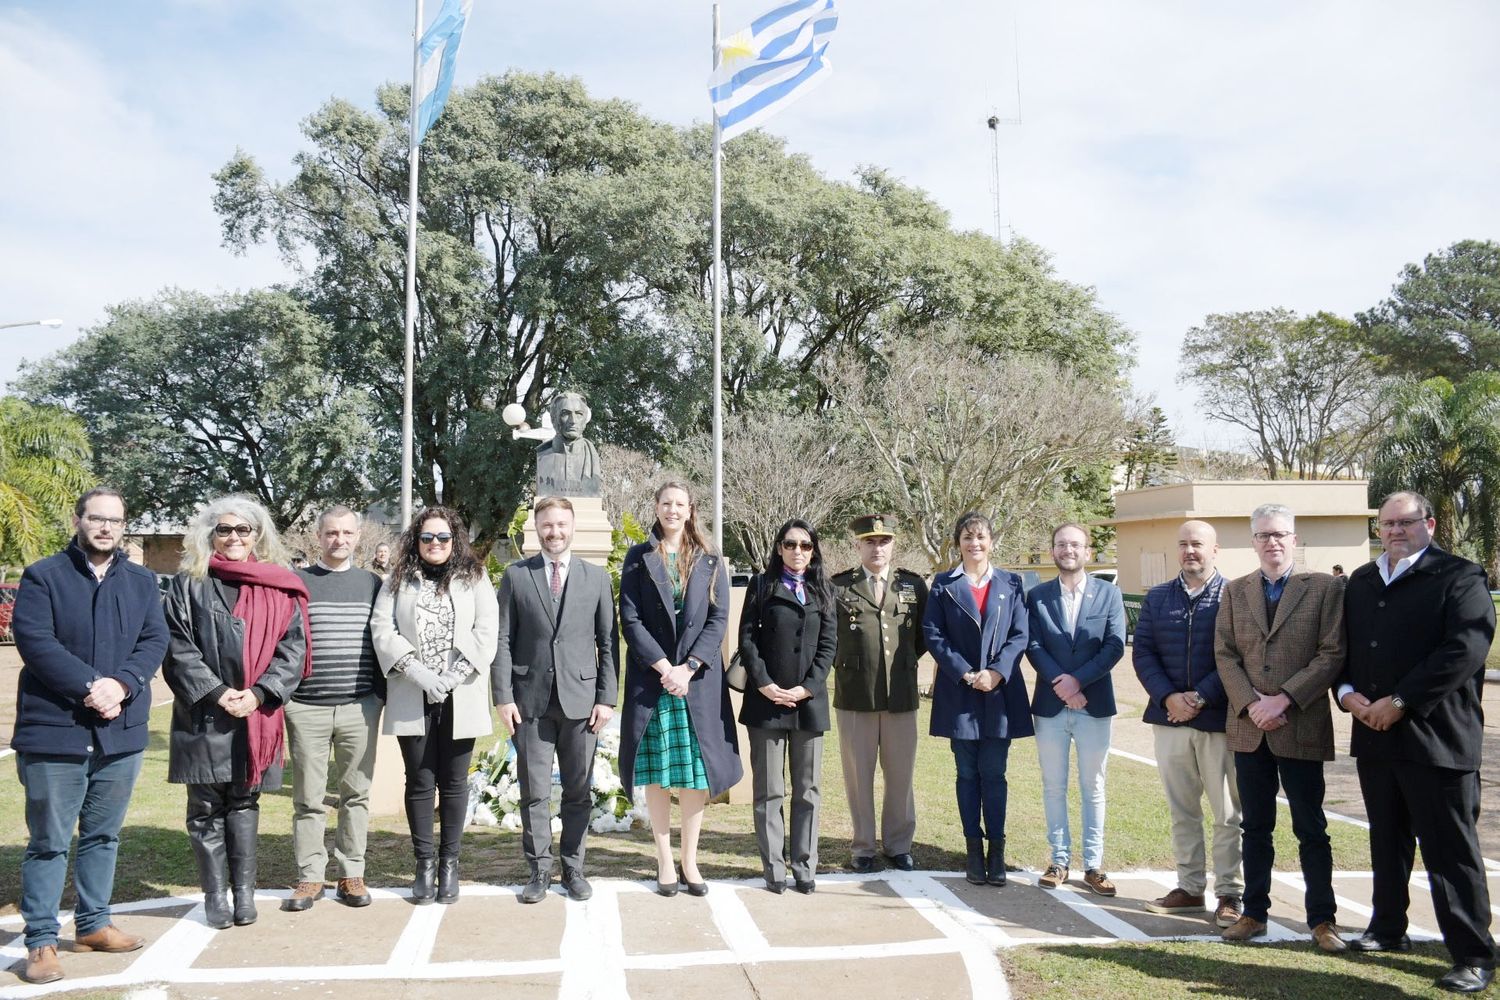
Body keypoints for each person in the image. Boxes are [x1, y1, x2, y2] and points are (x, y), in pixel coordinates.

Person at [1337, 491, 1496, 994]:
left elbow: (1465, 649)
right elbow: (1342, 648)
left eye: (1405, 522)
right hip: (1374, 736)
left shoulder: (1460, 577)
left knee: (1450, 851)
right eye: (1386, 524)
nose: (1394, 531)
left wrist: (1400, 701)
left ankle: (1473, 954)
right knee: (1387, 840)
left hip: (1437, 738)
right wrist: (1346, 695)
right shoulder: (1361, 582)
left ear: (1428, 522)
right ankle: (1388, 929)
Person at [12, 488, 169, 985]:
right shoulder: (43, 576)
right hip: (55, 733)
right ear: (79, 520)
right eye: (96, 519)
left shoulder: (143, 581)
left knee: (103, 836)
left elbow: (154, 639)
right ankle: (39, 940)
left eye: (115, 520)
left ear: (125, 526)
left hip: (120, 735)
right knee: (49, 841)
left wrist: (122, 683)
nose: (105, 527)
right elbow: (36, 641)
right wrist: (90, 687)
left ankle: (94, 924)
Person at [162, 495, 310, 931]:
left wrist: (261, 693)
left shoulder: (279, 585)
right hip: (205, 714)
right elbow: (176, 648)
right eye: (224, 529)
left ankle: (243, 893)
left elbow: (293, 649)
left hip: (255, 715)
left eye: (242, 529)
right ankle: (215, 896)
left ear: (257, 535)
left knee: (244, 802)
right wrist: (218, 691)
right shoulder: (188, 583)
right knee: (205, 806)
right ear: (210, 535)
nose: (233, 537)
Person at [1215, 504, 1346, 951]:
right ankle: (1254, 913)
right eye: (1264, 535)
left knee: (1311, 827)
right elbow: (1226, 655)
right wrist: (1253, 704)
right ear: (1253, 541)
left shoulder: (1325, 589)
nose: (1272, 542)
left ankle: (1322, 920)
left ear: (1295, 539)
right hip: (1251, 729)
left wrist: (1284, 698)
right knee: (1255, 827)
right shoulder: (1235, 591)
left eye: (1281, 535)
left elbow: (1331, 653)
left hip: (1300, 723)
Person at [492, 497, 619, 904]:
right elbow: (502, 640)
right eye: (547, 525)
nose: (555, 532)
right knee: (533, 790)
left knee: (578, 791)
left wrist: (606, 698)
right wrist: (503, 696)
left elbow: (608, 643)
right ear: (537, 528)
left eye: (561, 524)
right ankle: (540, 870)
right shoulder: (516, 576)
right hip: (530, 702)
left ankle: (574, 868)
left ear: (572, 526)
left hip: (582, 703)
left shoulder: (596, 578)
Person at [619, 481, 741, 897]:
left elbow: (718, 620)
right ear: (656, 507)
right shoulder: (637, 558)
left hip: (696, 684)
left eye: (680, 504)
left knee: (693, 776)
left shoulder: (710, 559)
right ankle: (665, 861)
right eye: (665, 503)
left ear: (691, 510)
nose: (672, 510)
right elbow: (630, 621)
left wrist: (687, 668)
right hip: (653, 683)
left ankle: (690, 859)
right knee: (657, 775)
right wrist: (663, 667)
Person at [372, 506, 498, 905]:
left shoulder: (474, 578)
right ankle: (424, 863)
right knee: (421, 781)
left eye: (443, 537)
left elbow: (486, 630)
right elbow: (382, 628)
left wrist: (451, 676)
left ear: (454, 539)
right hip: (414, 692)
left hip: (460, 694)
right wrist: (419, 673)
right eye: (427, 538)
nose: (435, 544)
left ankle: (450, 864)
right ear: (417, 541)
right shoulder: (397, 580)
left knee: (455, 782)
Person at [1132, 520, 1243, 928]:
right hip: (1169, 720)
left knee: (1227, 813)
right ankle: (1190, 886)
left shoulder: (1234, 595)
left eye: (1197, 544)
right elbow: (1143, 652)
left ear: (1215, 550)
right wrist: (1168, 698)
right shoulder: (1159, 597)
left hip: (1217, 720)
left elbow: (1237, 655)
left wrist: (1198, 697)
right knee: (1182, 811)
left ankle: (1229, 892)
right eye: (1183, 545)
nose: (1189, 551)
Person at [282, 506, 384, 912]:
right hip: (307, 707)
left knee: (355, 793)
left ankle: (350, 873)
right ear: (318, 536)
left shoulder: (373, 584)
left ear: (358, 536)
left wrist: (377, 696)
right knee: (308, 798)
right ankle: (309, 877)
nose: (338, 540)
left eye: (346, 533)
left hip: (360, 706)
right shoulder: (298, 583)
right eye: (331, 533)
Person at [923, 511, 1032, 887]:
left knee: (995, 774)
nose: (975, 544)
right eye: (968, 538)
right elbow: (933, 635)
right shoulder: (943, 584)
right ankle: (973, 849)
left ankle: (996, 850)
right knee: (966, 774)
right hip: (961, 694)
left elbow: (1020, 635)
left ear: (991, 542)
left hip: (1000, 693)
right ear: (959, 543)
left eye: (981, 537)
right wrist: (967, 673)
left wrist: (997, 672)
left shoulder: (1012, 583)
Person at [1024, 523, 1126, 897]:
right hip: (1051, 707)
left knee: (1093, 786)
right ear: (1053, 551)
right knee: (1053, 786)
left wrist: (1078, 682)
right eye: (1061, 544)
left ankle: (1094, 865)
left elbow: (1114, 646)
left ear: (1088, 551)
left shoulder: (1109, 594)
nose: (1068, 549)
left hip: (1094, 705)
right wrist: (1062, 686)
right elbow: (1032, 645)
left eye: (1075, 544)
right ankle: (1059, 860)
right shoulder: (1036, 596)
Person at [738, 518, 839, 894]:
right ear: (779, 547)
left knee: (808, 789)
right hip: (766, 705)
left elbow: (829, 646)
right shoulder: (761, 586)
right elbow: (746, 641)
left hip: (808, 705)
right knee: (769, 790)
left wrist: (806, 689)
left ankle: (804, 865)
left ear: (814, 551)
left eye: (806, 545)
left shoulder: (824, 590)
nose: (798, 551)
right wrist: (765, 684)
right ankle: (775, 867)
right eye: (791, 544)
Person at [830, 513, 928, 873]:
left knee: (900, 774)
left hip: (901, 696)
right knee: (859, 776)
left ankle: (899, 844)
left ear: (893, 545)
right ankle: (863, 846)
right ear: (857, 545)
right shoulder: (839, 586)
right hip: (856, 696)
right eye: (869, 541)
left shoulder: (913, 586)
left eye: (883, 541)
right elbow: (829, 638)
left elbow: (920, 640)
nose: (877, 547)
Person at [535, 391, 602, 497]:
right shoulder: (542, 455)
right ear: (553, 419)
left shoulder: (592, 455)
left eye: (579, 414)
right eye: (565, 413)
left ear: (585, 420)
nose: (573, 420)